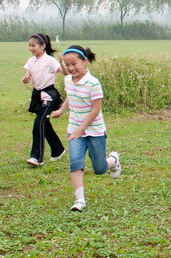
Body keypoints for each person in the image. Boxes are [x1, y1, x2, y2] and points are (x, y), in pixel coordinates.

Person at [50, 45, 122, 212]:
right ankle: (79, 201)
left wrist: (81, 129)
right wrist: (61, 110)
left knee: (99, 169)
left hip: (94, 130)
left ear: (85, 61)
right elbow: (70, 95)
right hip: (75, 129)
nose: (70, 68)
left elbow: (95, 110)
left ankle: (113, 160)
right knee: (75, 162)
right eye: (67, 64)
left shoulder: (93, 83)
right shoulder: (68, 80)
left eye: (74, 63)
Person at [21, 33, 66, 166]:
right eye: (29, 45)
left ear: (43, 46)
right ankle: (58, 150)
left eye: (33, 45)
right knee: (45, 124)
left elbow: (65, 72)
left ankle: (36, 157)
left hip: (48, 95)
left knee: (38, 124)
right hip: (37, 95)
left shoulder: (50, 60)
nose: (31, 48)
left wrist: (62, 62)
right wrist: (26, 79)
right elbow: (27, 74)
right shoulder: (31, 61)